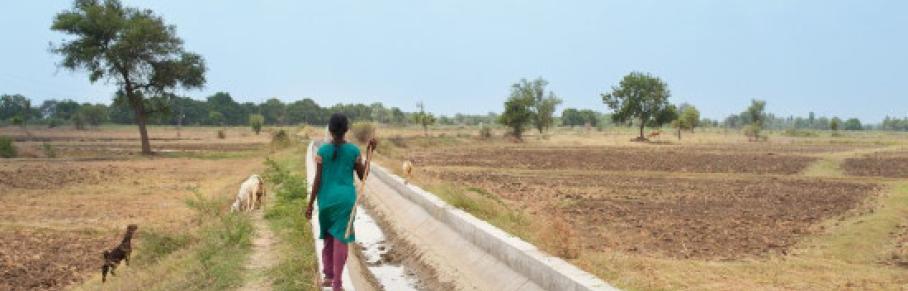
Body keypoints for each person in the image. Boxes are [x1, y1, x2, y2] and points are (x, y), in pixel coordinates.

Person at [306, 112, 376, 290]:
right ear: (346, 130)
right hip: (346, 201)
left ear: (330, 130)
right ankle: (337, 283)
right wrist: (369, 153)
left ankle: (328, 275)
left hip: (326, 200)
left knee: (329, 236)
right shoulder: (353, 151)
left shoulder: (322, 151)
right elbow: (363, 176)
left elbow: (317, 180)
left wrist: (310, 204)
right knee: (341, 239)